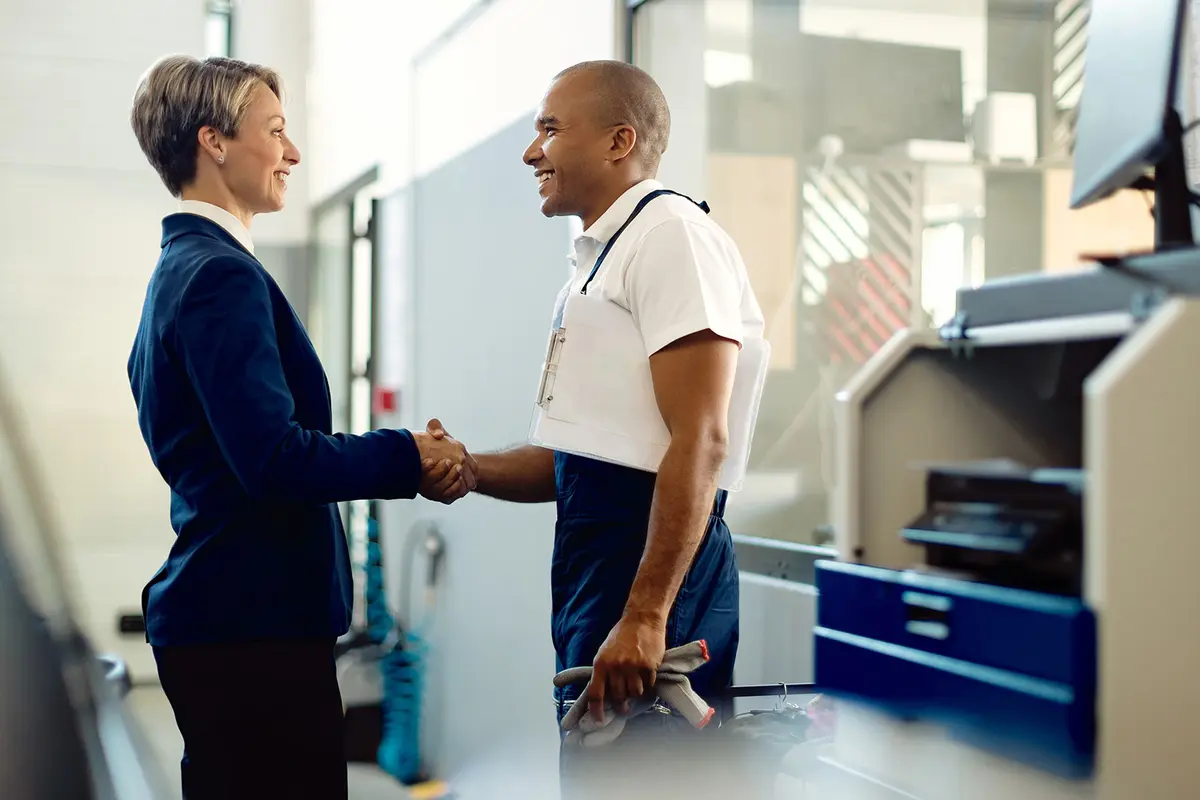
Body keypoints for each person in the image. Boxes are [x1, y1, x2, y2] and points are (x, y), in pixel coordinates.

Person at [125, 55, 476, 800]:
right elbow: (275, 460)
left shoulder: (182, 269)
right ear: (214, 141)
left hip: (232, 624)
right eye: (276, 131)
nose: (293, 152)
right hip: (251, 629)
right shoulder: (219, 275)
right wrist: (408, 456)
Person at [426, 60, 766, 796]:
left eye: (550, 129)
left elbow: (701, 441)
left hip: (653, 581)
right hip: (599, 575)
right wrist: (472, 468)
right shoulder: (596, 261)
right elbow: (581, 460)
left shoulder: (671, 236)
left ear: (620, 141)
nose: (531, 152)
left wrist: (647, 615)